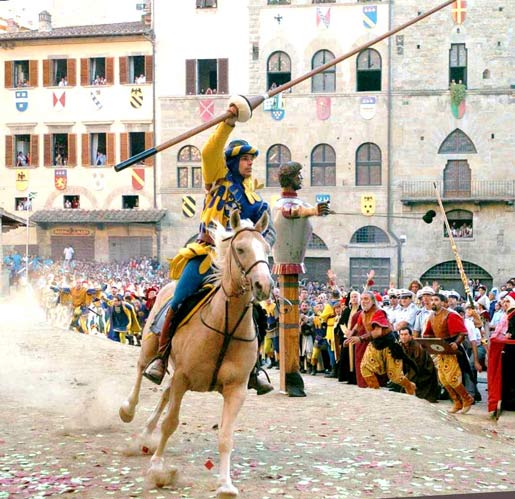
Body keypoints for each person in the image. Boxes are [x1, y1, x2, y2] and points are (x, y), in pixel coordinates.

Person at [144, 96, 276, 390]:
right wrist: (227, 123)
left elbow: (266, 233)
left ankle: (253, 369)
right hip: (206, 253)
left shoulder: (256, 199)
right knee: (179, 298)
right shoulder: (218, 177)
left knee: (258, 312)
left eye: (252, 159)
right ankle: (162, 358)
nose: (250, 163)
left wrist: (263, 258)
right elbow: (209, 151)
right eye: (245, 159)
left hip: (239, 263)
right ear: (232, 161)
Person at [344, 291, 417, 395]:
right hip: (374, 344)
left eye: (366, 299)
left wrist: (360, 339)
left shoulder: (378, 312)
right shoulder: (363, 313)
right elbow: (358, 326)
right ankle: (375, 392)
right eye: (362, 299)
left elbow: (377, 332)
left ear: (373, 301)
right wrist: (350, 336)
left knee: (395, 376)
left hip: (388, 344)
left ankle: (409, 386)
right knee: (365, 368)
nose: (363, 302)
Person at [423, 293, 475, 414]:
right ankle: (457, 402)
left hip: (452, 349)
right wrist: (425, 341)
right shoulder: (431, 316)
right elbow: (428, 334)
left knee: (452, 378)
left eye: (436, 300)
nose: (433, 302)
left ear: (443, 302)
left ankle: (467, 398)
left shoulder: (450, 315)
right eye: (431, 300)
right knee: (443, 379)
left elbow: (462, 332)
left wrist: (456, 343)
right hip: (440, 349)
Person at [398, 325, 440, 403]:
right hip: (412, 371)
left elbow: (419, 365)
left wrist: (407, 378)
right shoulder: (401, 346)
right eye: (401, 334)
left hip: (424, 373)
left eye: (406, 334)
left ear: (410, 336)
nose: (403, 337)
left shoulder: (417, 346)